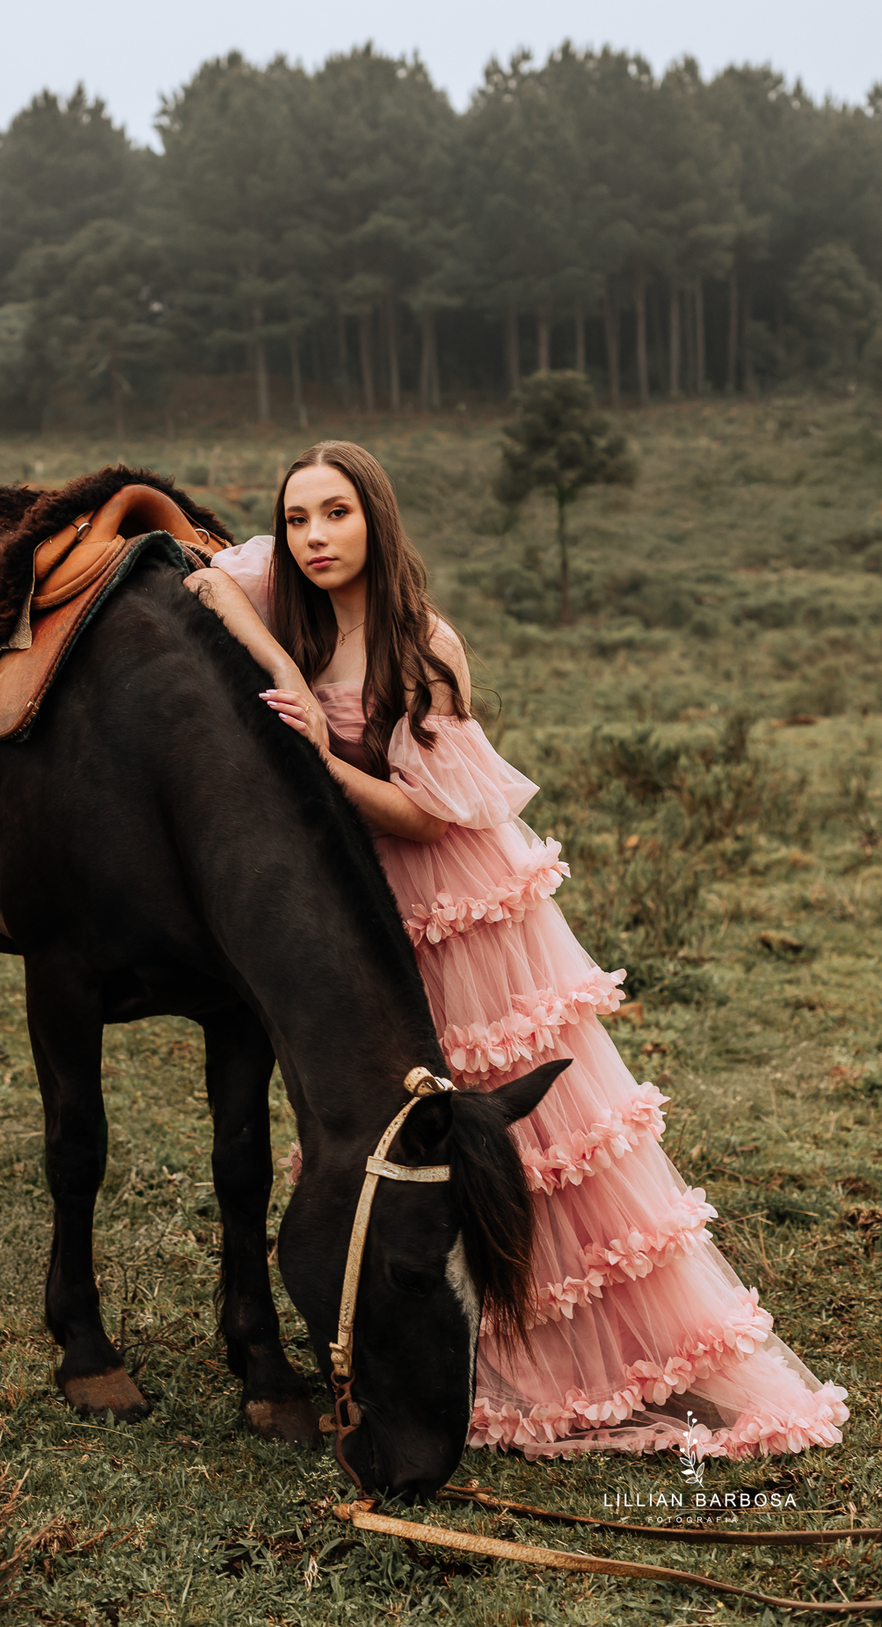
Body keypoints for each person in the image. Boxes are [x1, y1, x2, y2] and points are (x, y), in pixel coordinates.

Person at [186, 439, 848, 1461]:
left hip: (452, 898)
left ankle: (576, 1350)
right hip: (366, 905)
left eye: (338, 515)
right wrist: (276, 661)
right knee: (415, 1117)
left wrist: (316, 754)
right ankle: (447, 1326)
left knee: (511, 1118)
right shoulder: (291, 599)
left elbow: (419, 816)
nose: (315, 537)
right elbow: (206, 578)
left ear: (378, 520)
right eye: (299, 518)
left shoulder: (423, 646)